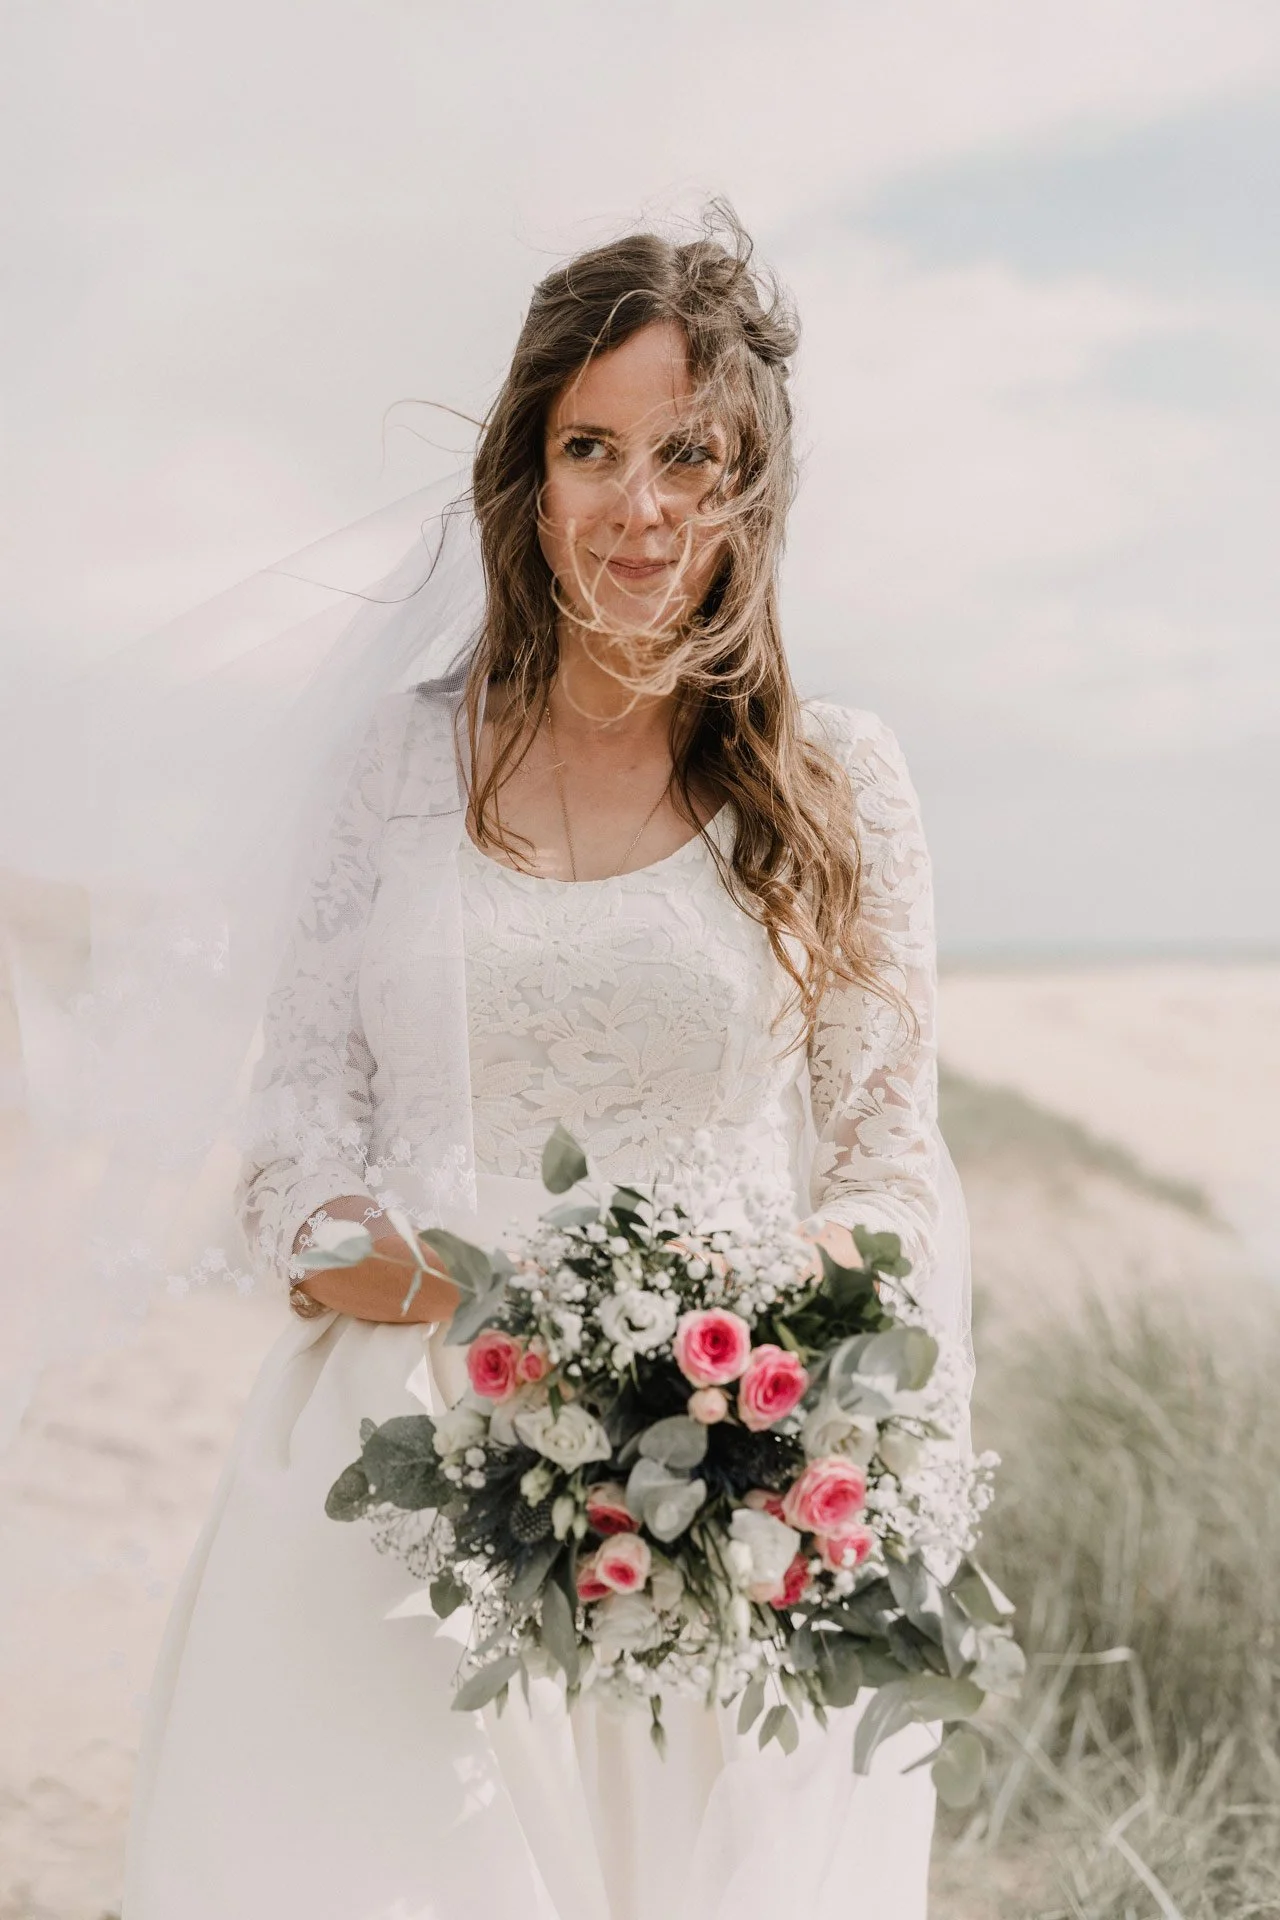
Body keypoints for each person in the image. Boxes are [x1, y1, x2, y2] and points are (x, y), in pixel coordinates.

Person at [122, 212, 961, 1920]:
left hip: (723, 1482)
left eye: (688, 456)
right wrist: (424, 1286)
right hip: (397, 1471)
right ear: (529, 472)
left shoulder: (839, 787)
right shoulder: (398, 769)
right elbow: (294, 1122)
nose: (639, 506)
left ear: (752, 490)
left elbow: (886, 1162)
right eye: (592, 448)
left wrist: (753, 1360)